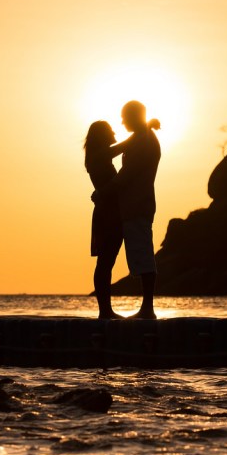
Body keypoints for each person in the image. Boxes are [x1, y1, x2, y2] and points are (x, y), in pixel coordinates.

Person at [94, 101, 161, 319]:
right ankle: (146, 308)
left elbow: (127, 174)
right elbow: (120, 152)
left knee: (143, 256)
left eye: (124, 117)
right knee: (141, 255)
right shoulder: (141, 137)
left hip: (137, 205)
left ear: (134, 116)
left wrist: (102, 192)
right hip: (134, 206)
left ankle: (147, 309)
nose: (122, 122)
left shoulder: (144, 140)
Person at [84, 121, 128, 319]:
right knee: (105, 263)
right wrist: (145, 129)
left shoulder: (96, 156)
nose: (113, 132)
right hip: (108, 214)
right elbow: (125, 145)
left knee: (105, 262)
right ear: (102, 135)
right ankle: (105, 310)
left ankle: (105, 310)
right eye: (109, 130)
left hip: (107, 211)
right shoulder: (100, 155)